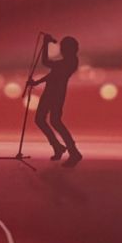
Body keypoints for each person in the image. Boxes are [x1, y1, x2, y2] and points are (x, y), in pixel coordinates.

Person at [35, 34, 83, 164]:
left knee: (53, 121)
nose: (61, 49)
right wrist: (37, 82)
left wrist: (46, 44)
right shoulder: (67, 61)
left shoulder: (70, 62)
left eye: (63, 47)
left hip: (55, 93)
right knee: (45, 120)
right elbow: (52, 72)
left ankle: (72, 151)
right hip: (52, 92)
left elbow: (49, 67)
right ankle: (60, 147)